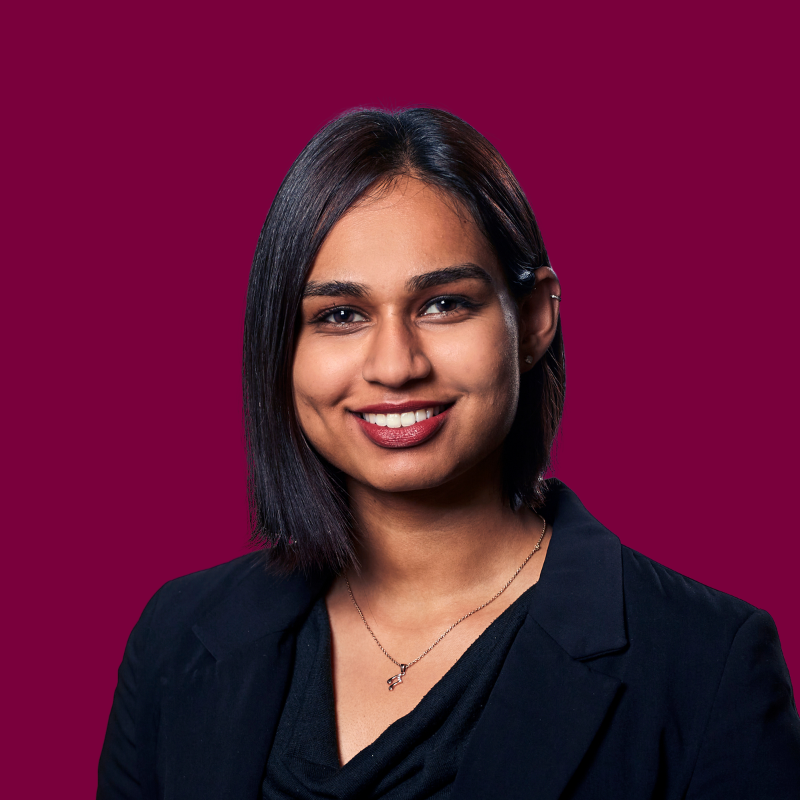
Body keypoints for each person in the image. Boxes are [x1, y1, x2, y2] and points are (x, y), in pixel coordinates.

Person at [97, 108, 800, 799]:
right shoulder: (176, 638)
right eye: (340, 315)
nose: (396, 366)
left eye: (444, 304)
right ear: (282, 349)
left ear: (533, 320)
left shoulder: (707, 663)